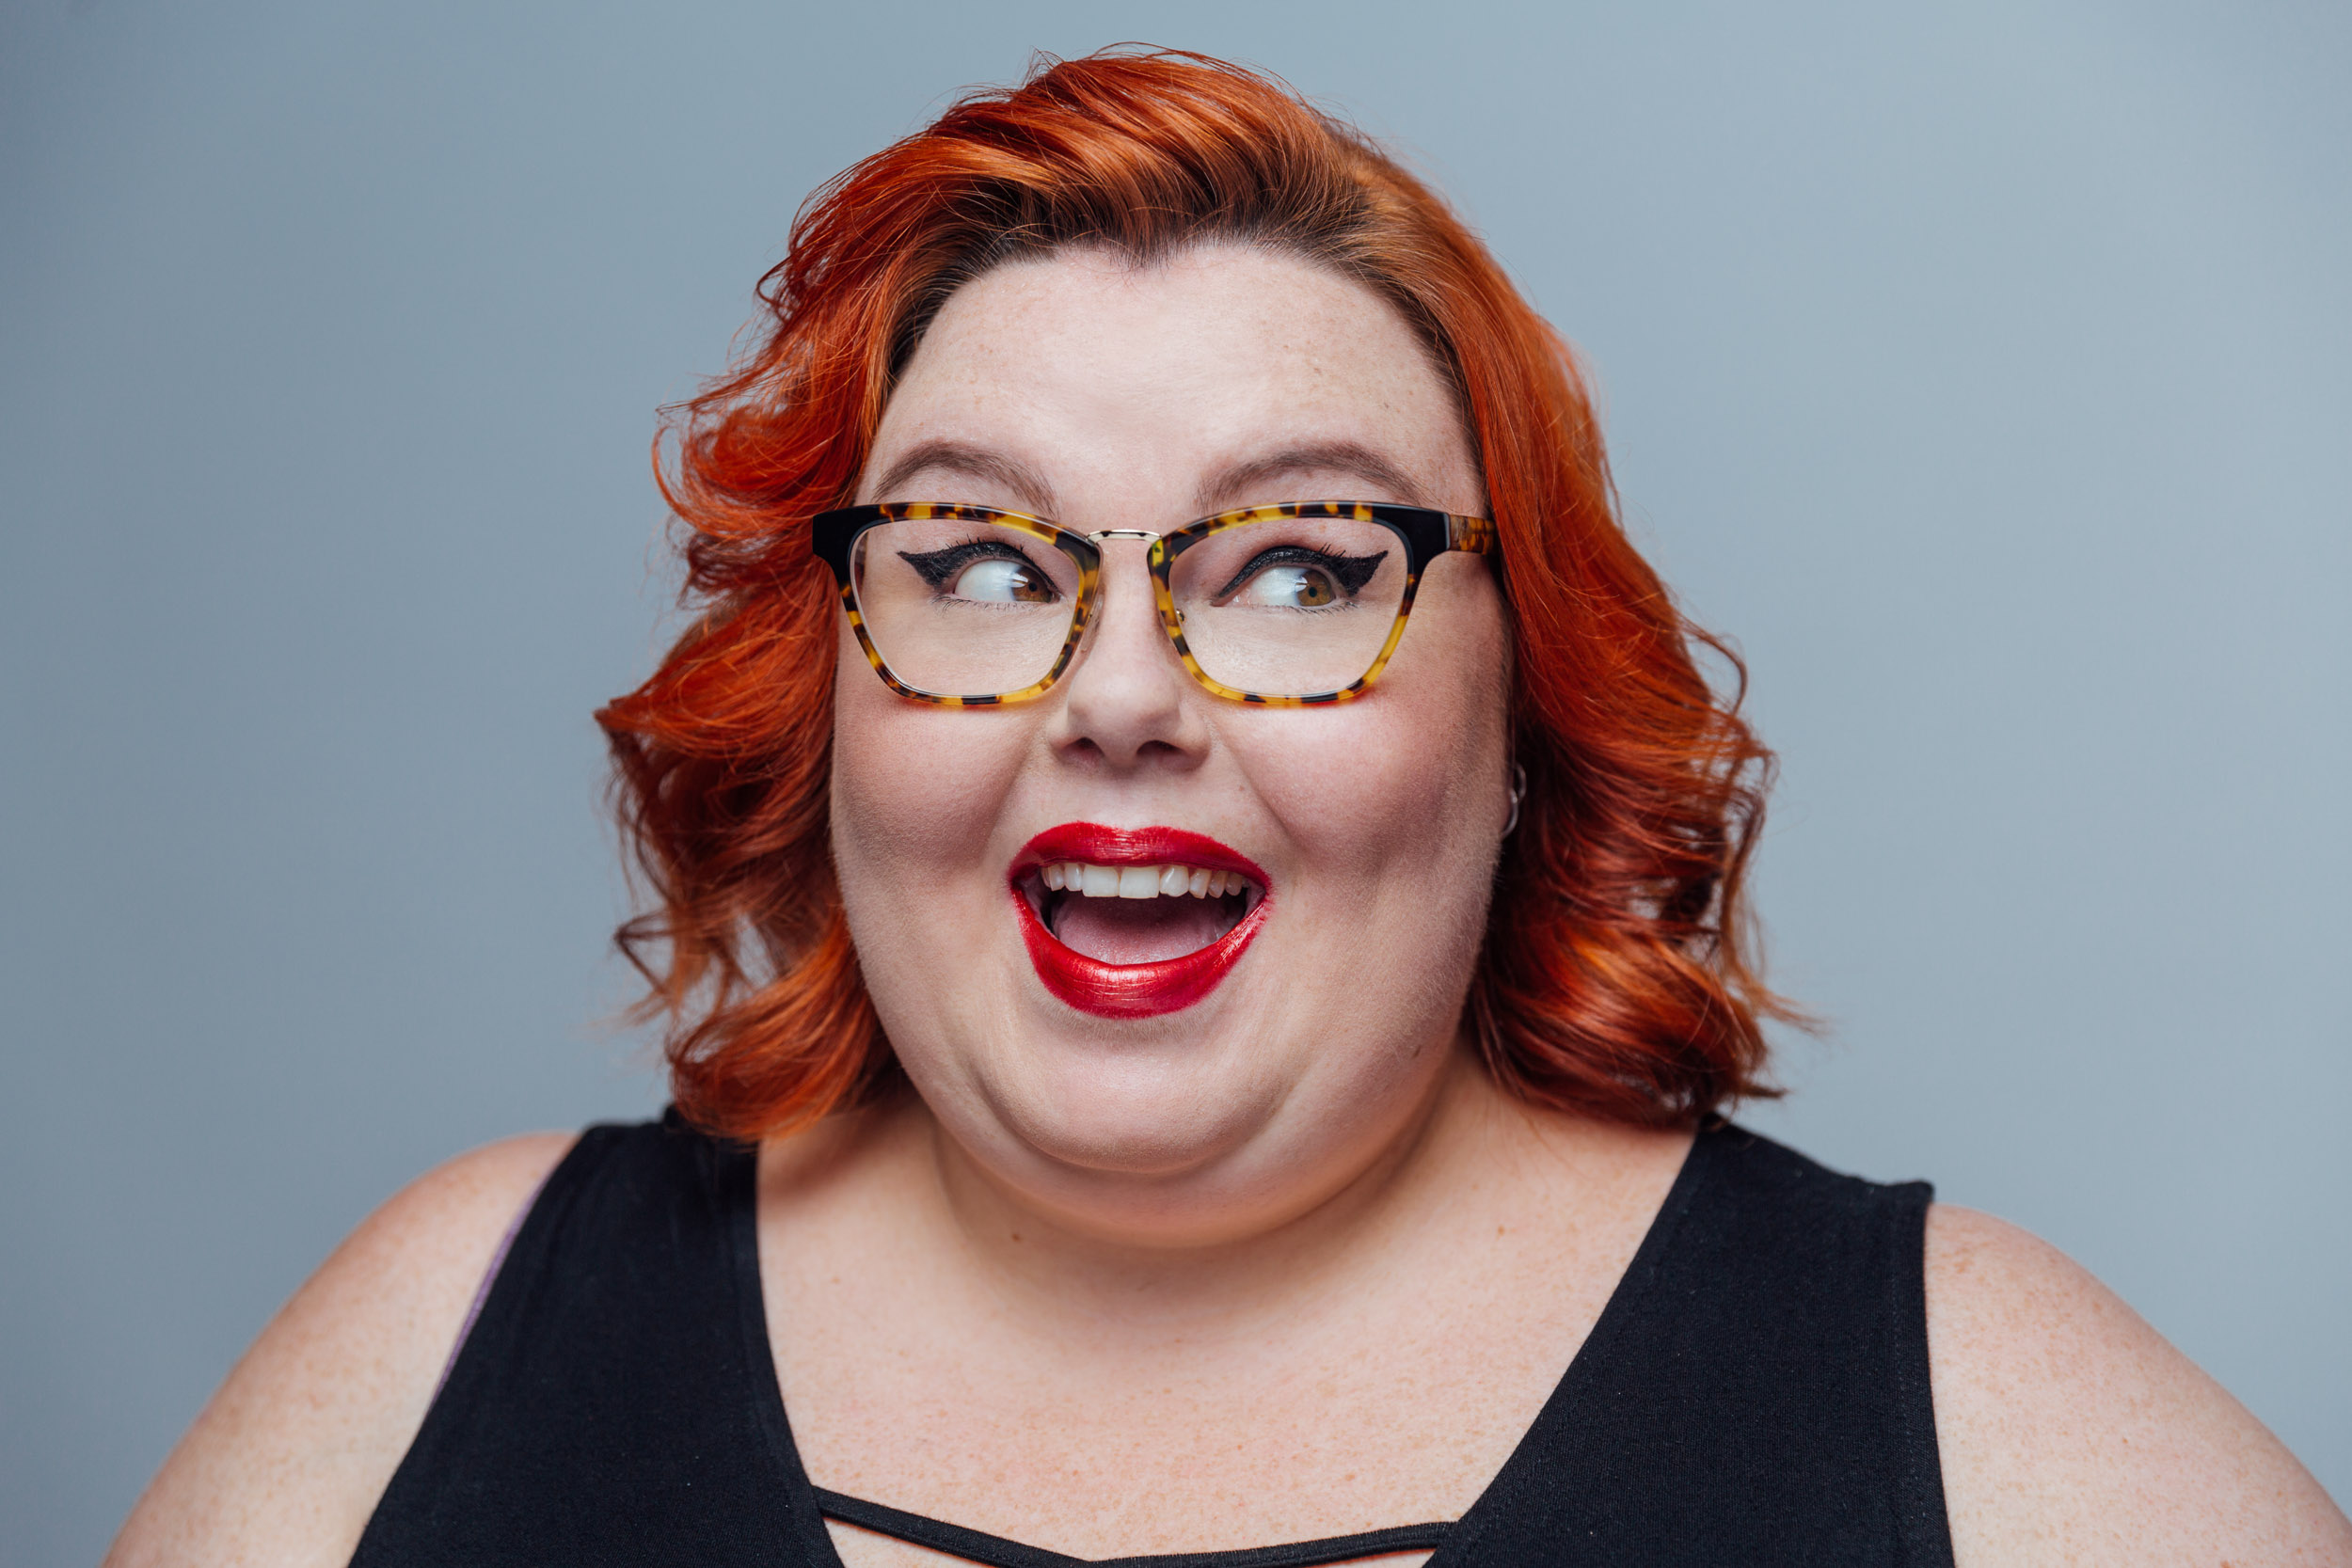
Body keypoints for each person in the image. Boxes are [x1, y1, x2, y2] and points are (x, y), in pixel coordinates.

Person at [107, 49, 2348, 1568]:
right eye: (982, 564)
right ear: (826, 691)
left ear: (1525, 710)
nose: (1117, 699)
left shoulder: (1987, 1435)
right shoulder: (442, 1339)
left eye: (1295, 569)